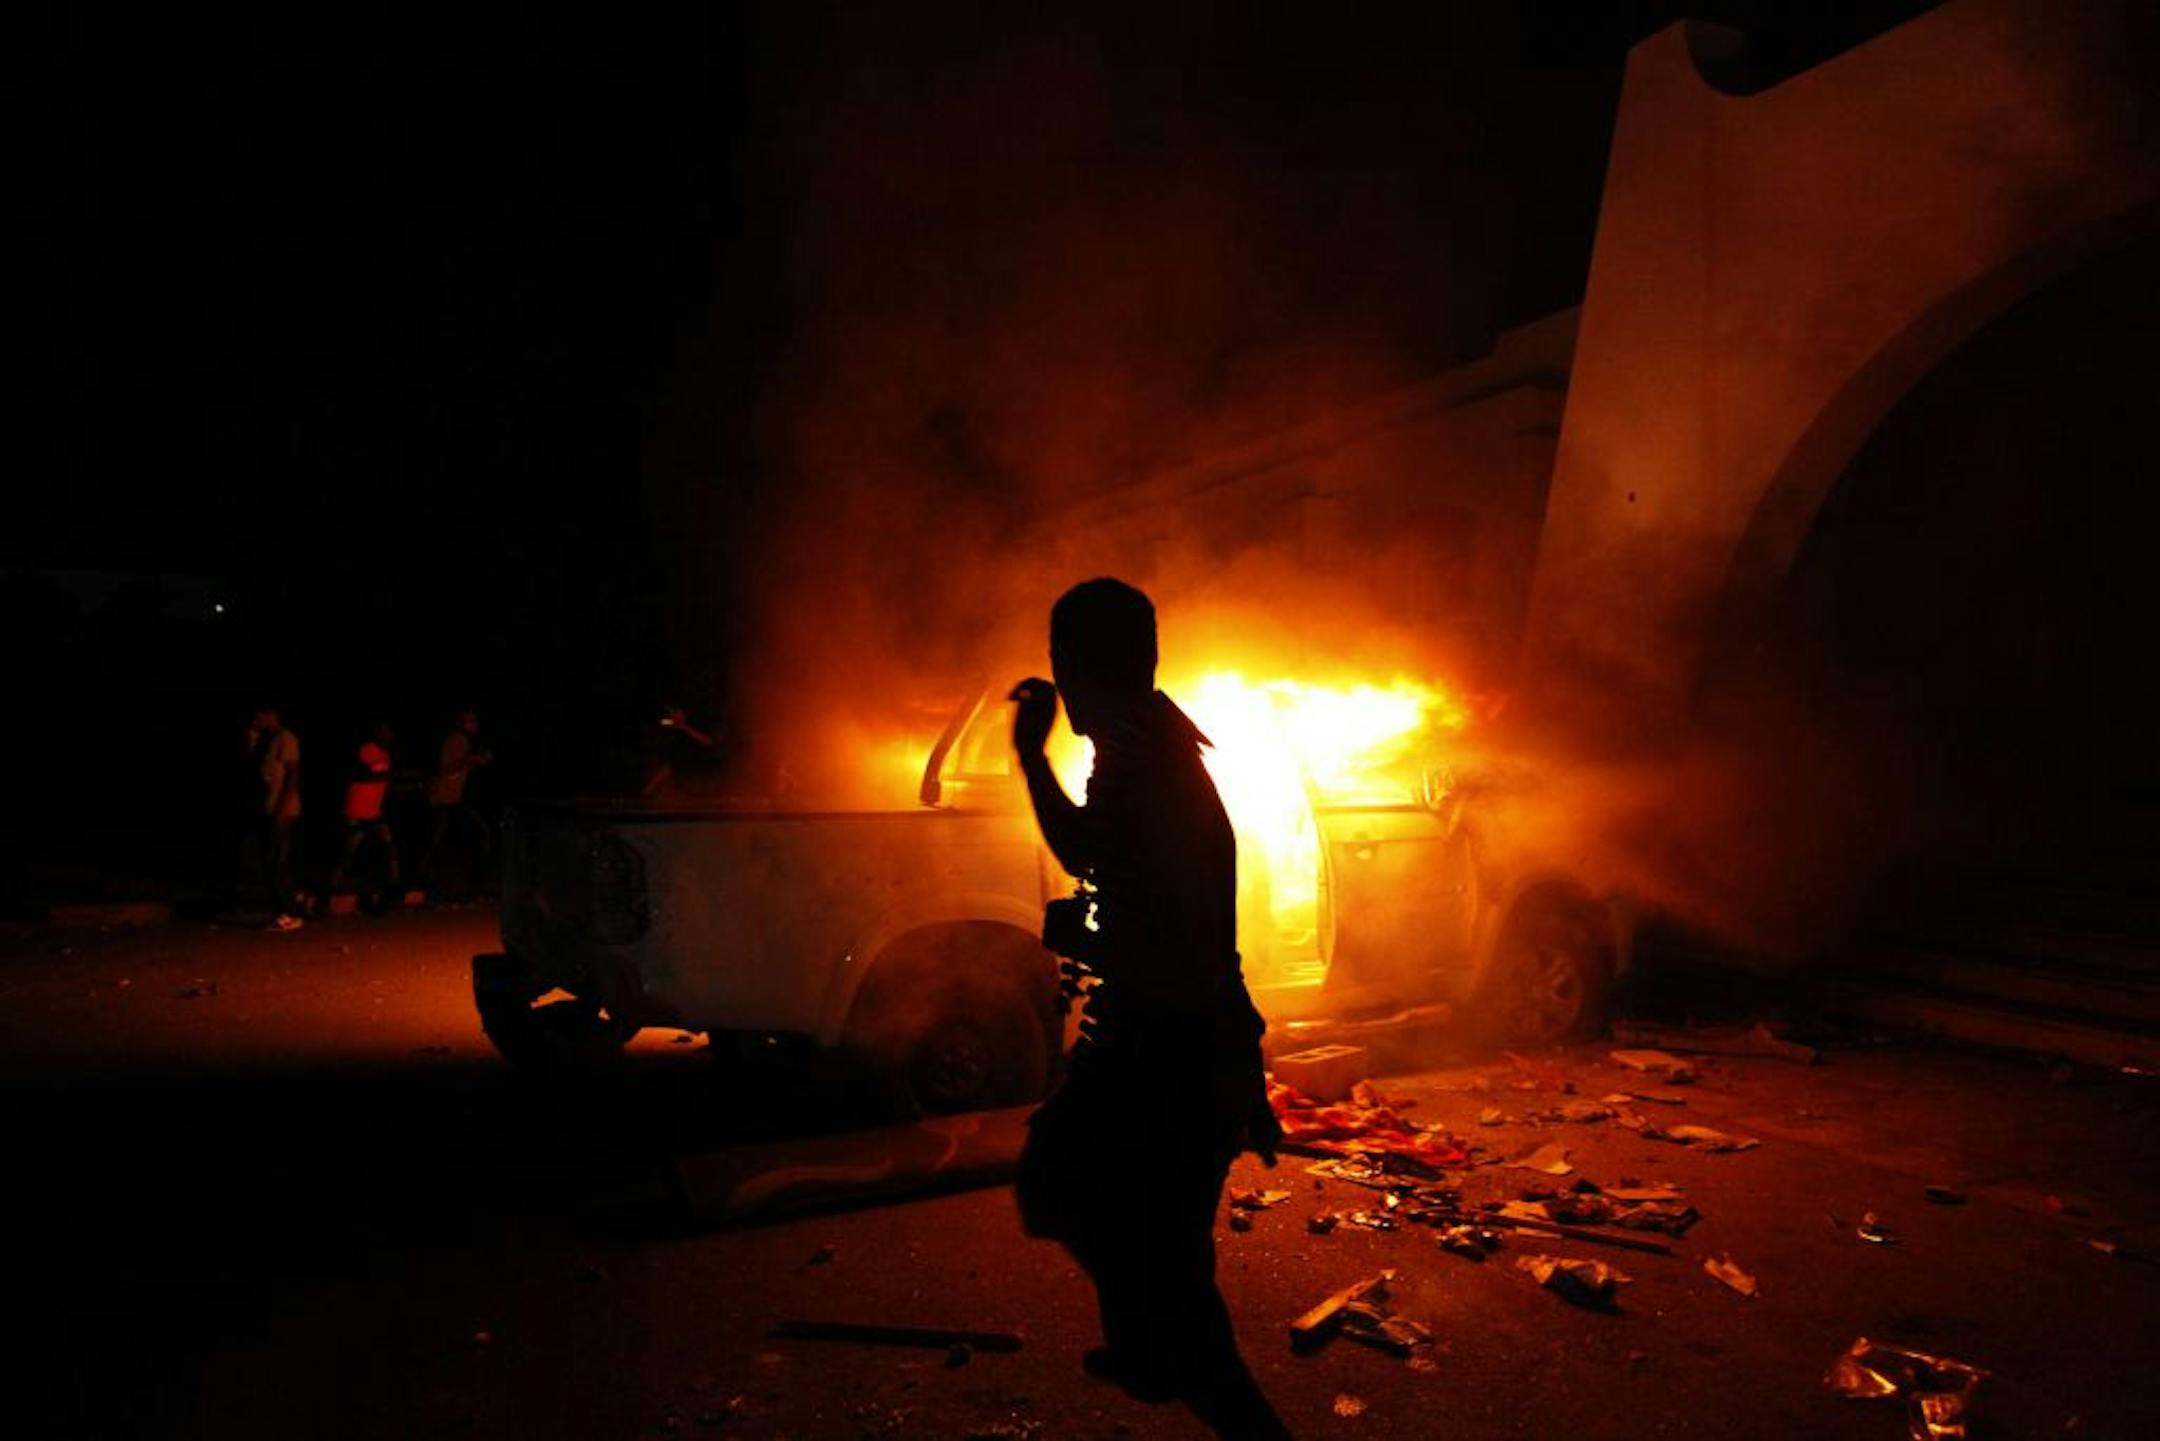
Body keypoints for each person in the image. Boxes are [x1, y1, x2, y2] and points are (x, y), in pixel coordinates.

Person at [1008, 578, 1289, 1440]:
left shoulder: (1141, 763)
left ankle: (1164, 1350)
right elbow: (1185, 915)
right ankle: (1150, 1340)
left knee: (1081, 1198)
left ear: (1074, 669)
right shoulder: (1150, 747)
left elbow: (1090, 852)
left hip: (1170, 1055)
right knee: (1125, 1226)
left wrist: (1029, 754)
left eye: (1063, 667)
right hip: (1187, 1050)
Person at [322, 722, 400, 911]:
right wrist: (382, 778)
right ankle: (325, 896)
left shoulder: (386, 755)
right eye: (385, 731)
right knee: (347, 853)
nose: (389, 735)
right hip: (355, 811)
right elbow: (358, 773)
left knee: (388, 850)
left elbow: (385, 782)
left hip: (374, 812)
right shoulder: (365, 750)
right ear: (377, 733)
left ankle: (390, 894)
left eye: (390, 732)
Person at [421, 708, 492, 897]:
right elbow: (447, 768)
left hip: (453, 800)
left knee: (463, 839)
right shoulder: (457, 739)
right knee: (438, 843)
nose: (473, 725)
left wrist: (475, 761)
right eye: (469, 721)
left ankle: (454, 885)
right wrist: (471, 759)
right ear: (460, 723)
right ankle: (424, 885)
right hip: (443, 800)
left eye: (475, 721)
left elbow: (458, 770)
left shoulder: (463, 741)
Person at [246, 705, 304, 931]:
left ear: (271, 715)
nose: (256, 721)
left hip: (282, 809)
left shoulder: (286, 738)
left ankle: (288, 913)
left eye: (258, 716)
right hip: (268, 807)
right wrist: (251, 741)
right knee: (272, 859)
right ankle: (292, 900)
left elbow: (293, 773)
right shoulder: (266, 740)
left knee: (275, 860)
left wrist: (283, 805)